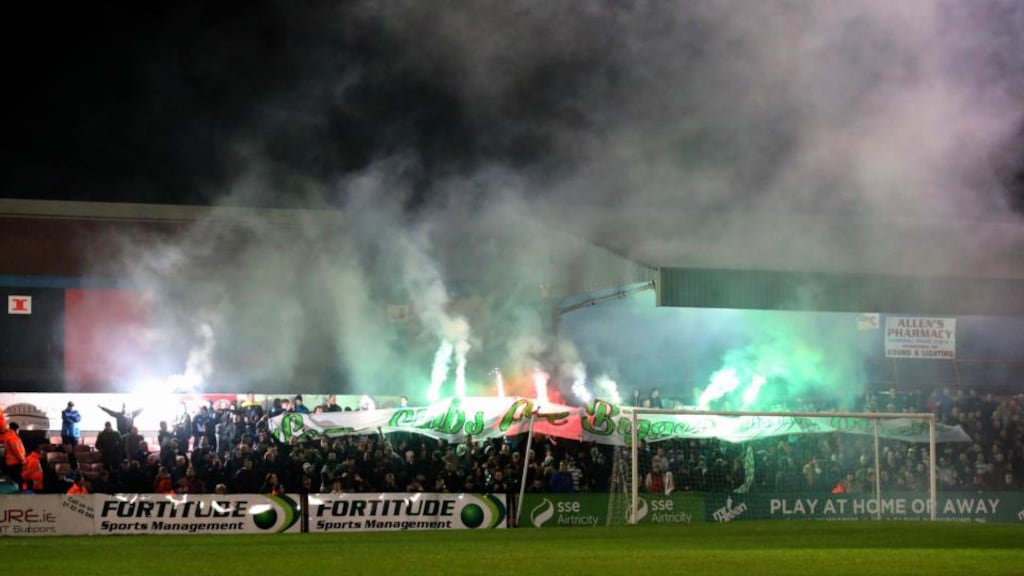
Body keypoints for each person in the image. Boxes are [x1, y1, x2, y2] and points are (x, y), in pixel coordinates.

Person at [0, 421, 26, 487]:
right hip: (15, 462)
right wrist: (23, 460)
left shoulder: (7, 436)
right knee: (17, 480)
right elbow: (17, 450)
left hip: (10, 462)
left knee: (12, 480)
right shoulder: (13, 437)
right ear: (16, 429)